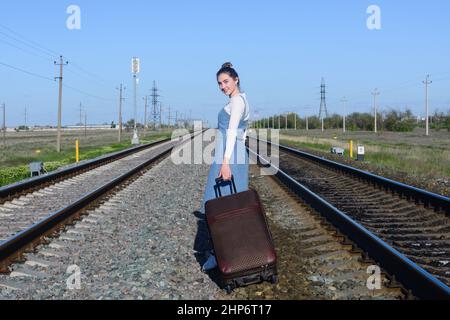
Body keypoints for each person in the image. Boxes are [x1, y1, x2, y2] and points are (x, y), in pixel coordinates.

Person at [200, 62, 250, 272]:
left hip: (229, 157)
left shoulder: (237, 101)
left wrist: (226, 162)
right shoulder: (242, 99)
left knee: (215, 205)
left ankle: (219, 254)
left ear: (236, 79)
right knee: (233, 204)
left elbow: (231, 133)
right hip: (234, 154)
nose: (223, 86)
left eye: (226, 81)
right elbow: (243, 132)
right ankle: (231, 251)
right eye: (220, 83)